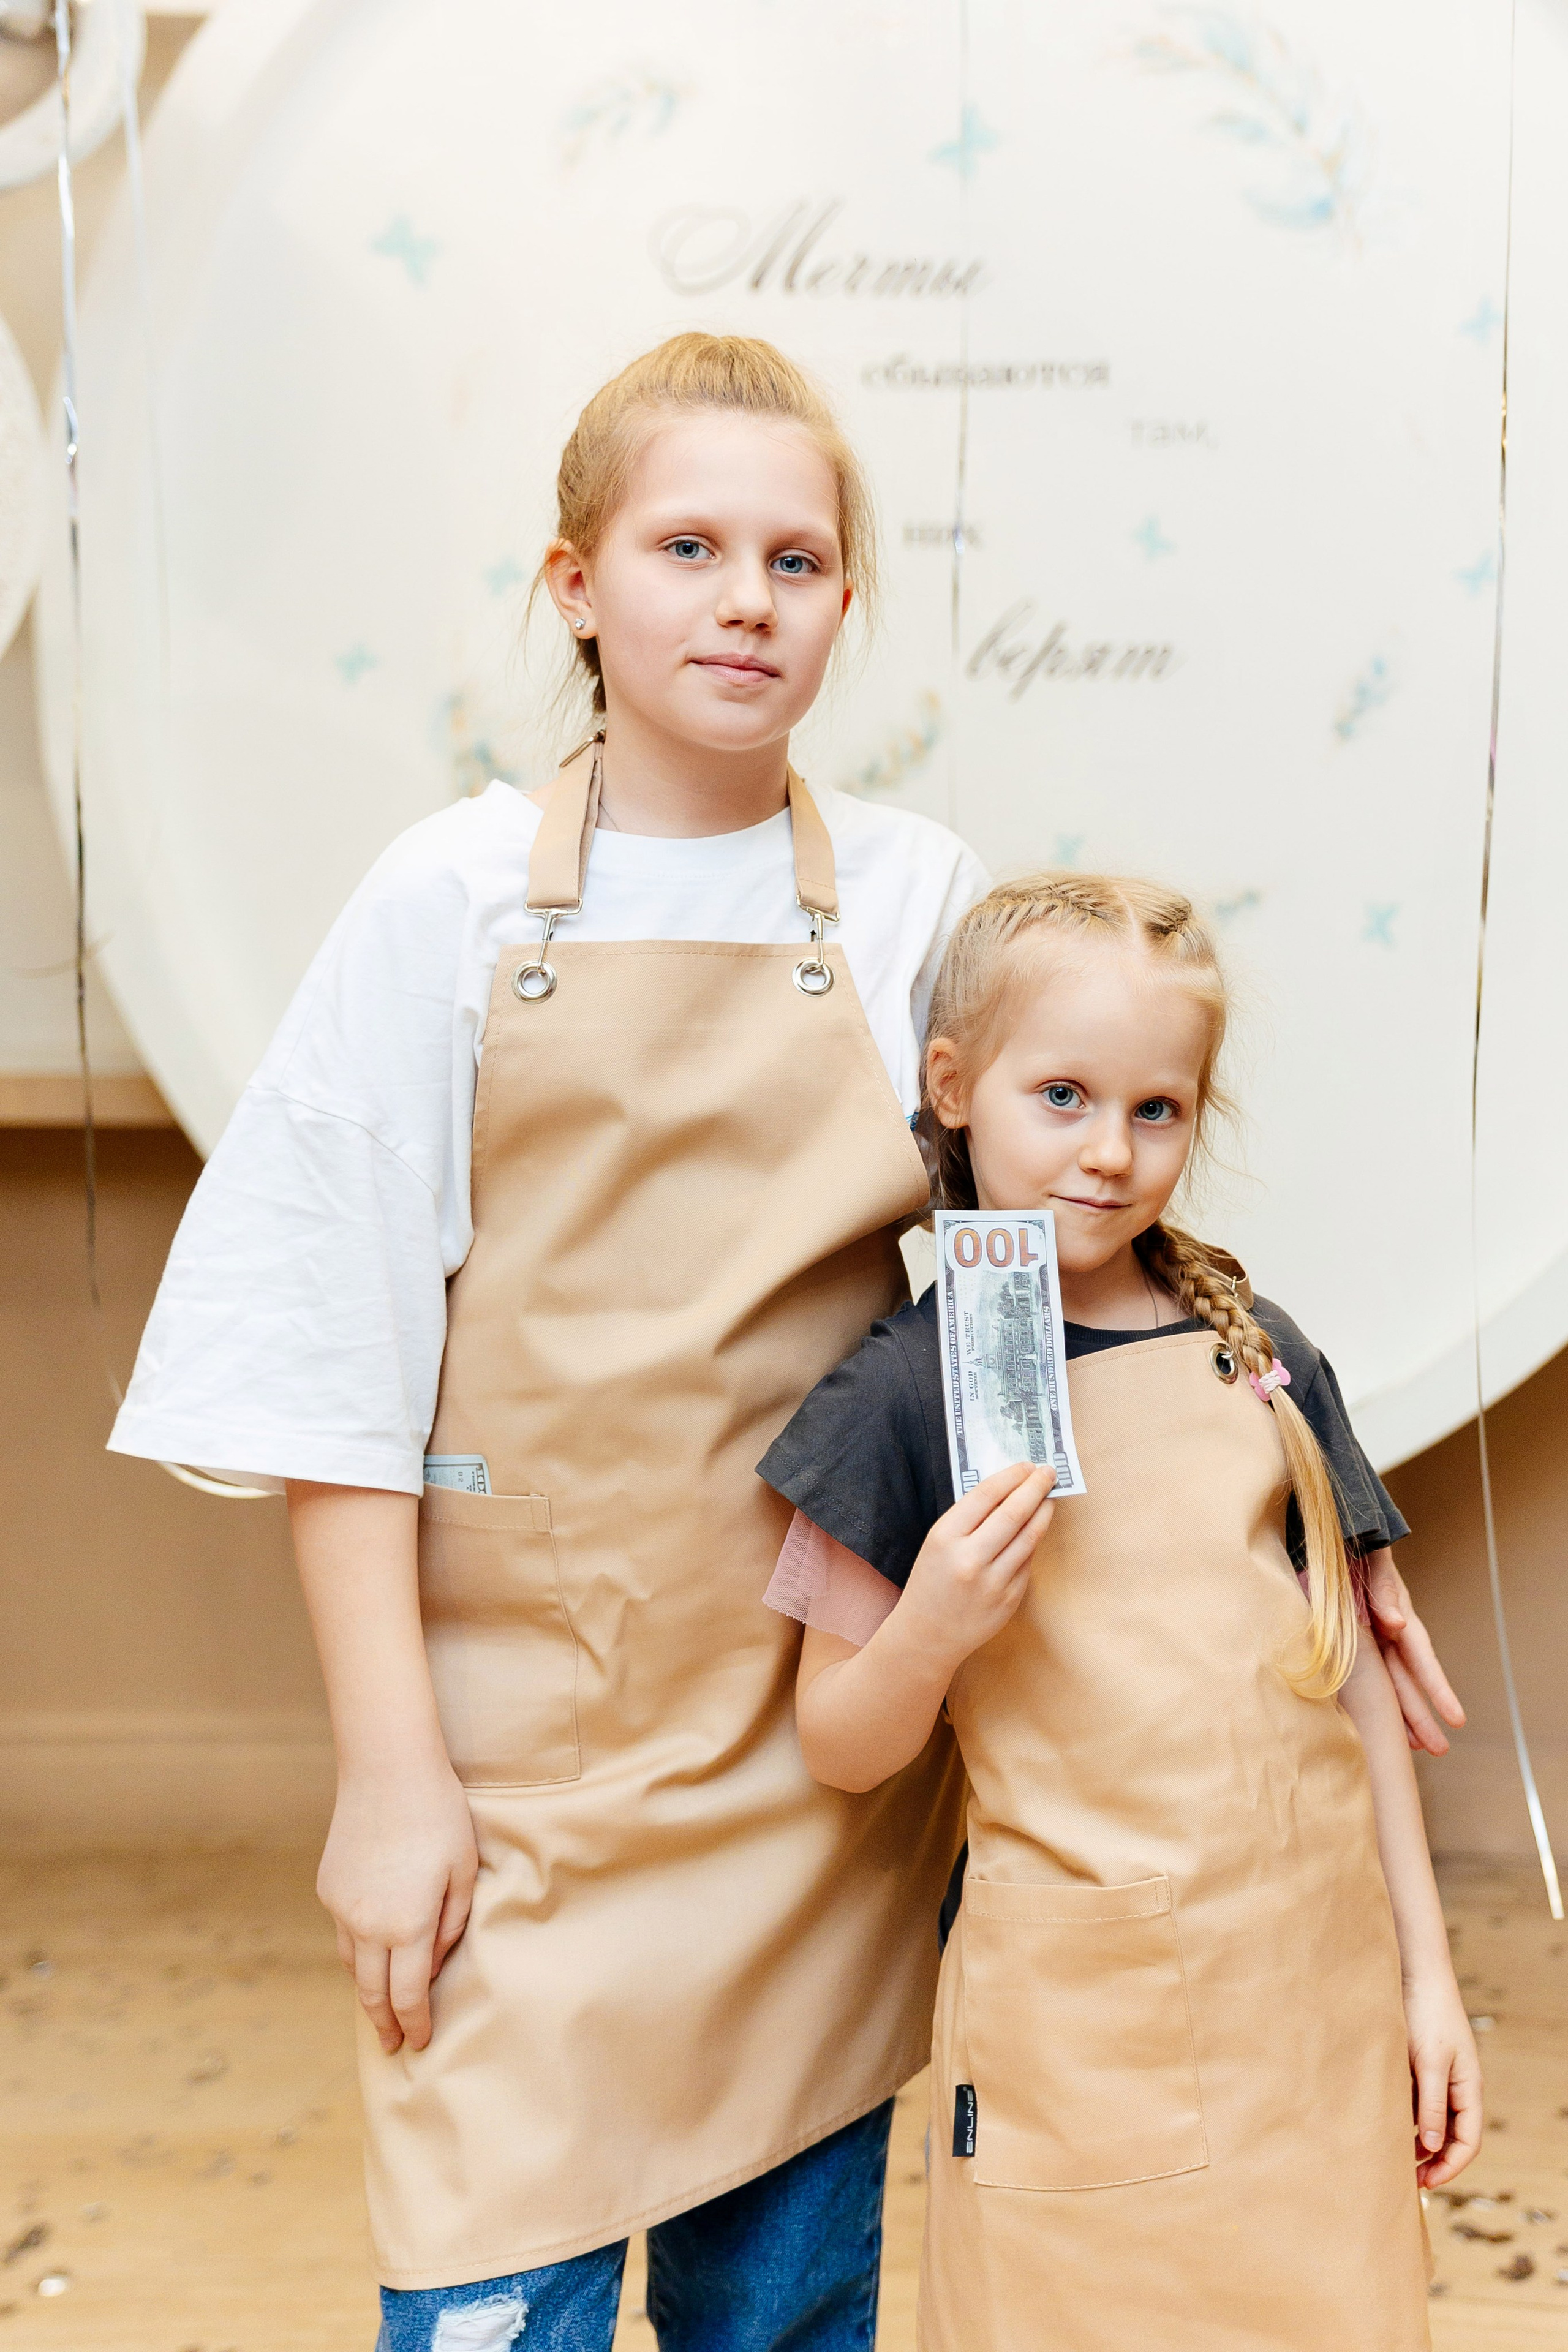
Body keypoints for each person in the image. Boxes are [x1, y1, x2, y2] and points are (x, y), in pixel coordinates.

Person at [108, 334, 989, 2351]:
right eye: (688, 544)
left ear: (848, 603)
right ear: (577, 584)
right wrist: (388, 1778)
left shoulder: (918, 900)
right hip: (506, 1783)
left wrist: (1294, 1501)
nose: (747, 595)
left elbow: (1031, 1290)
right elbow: (335, 1366)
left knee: (790, 2309)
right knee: (490, 2304)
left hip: (809, 1773)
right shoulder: (443, 903)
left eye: (798, 556)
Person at [759, 872, 1481, 2352]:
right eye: (1063, 1096)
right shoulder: (907, 1388)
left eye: (1155, 1110)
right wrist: (937, 1624)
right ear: (953, 1090)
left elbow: (1348, 1687)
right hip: (1082, 2039)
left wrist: (1424, 1980)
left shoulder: (1257, 1353)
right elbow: (837, 1740)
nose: (1106, 1153)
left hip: (1310, 2008)